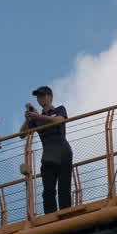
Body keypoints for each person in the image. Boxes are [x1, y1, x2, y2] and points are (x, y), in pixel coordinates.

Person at [21, 85, 73, 214]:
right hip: (48, 156)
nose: (40, 98)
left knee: (64, 188)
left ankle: (66, 215)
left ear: (50, 96)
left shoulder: (59, 109)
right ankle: (51, 218)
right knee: (48, 191)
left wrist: (37, 117)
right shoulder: (37, 118)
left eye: (43, 95)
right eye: (38, 96)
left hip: (63, 153)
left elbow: (59, 120)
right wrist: (28, 119)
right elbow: (22, 134)